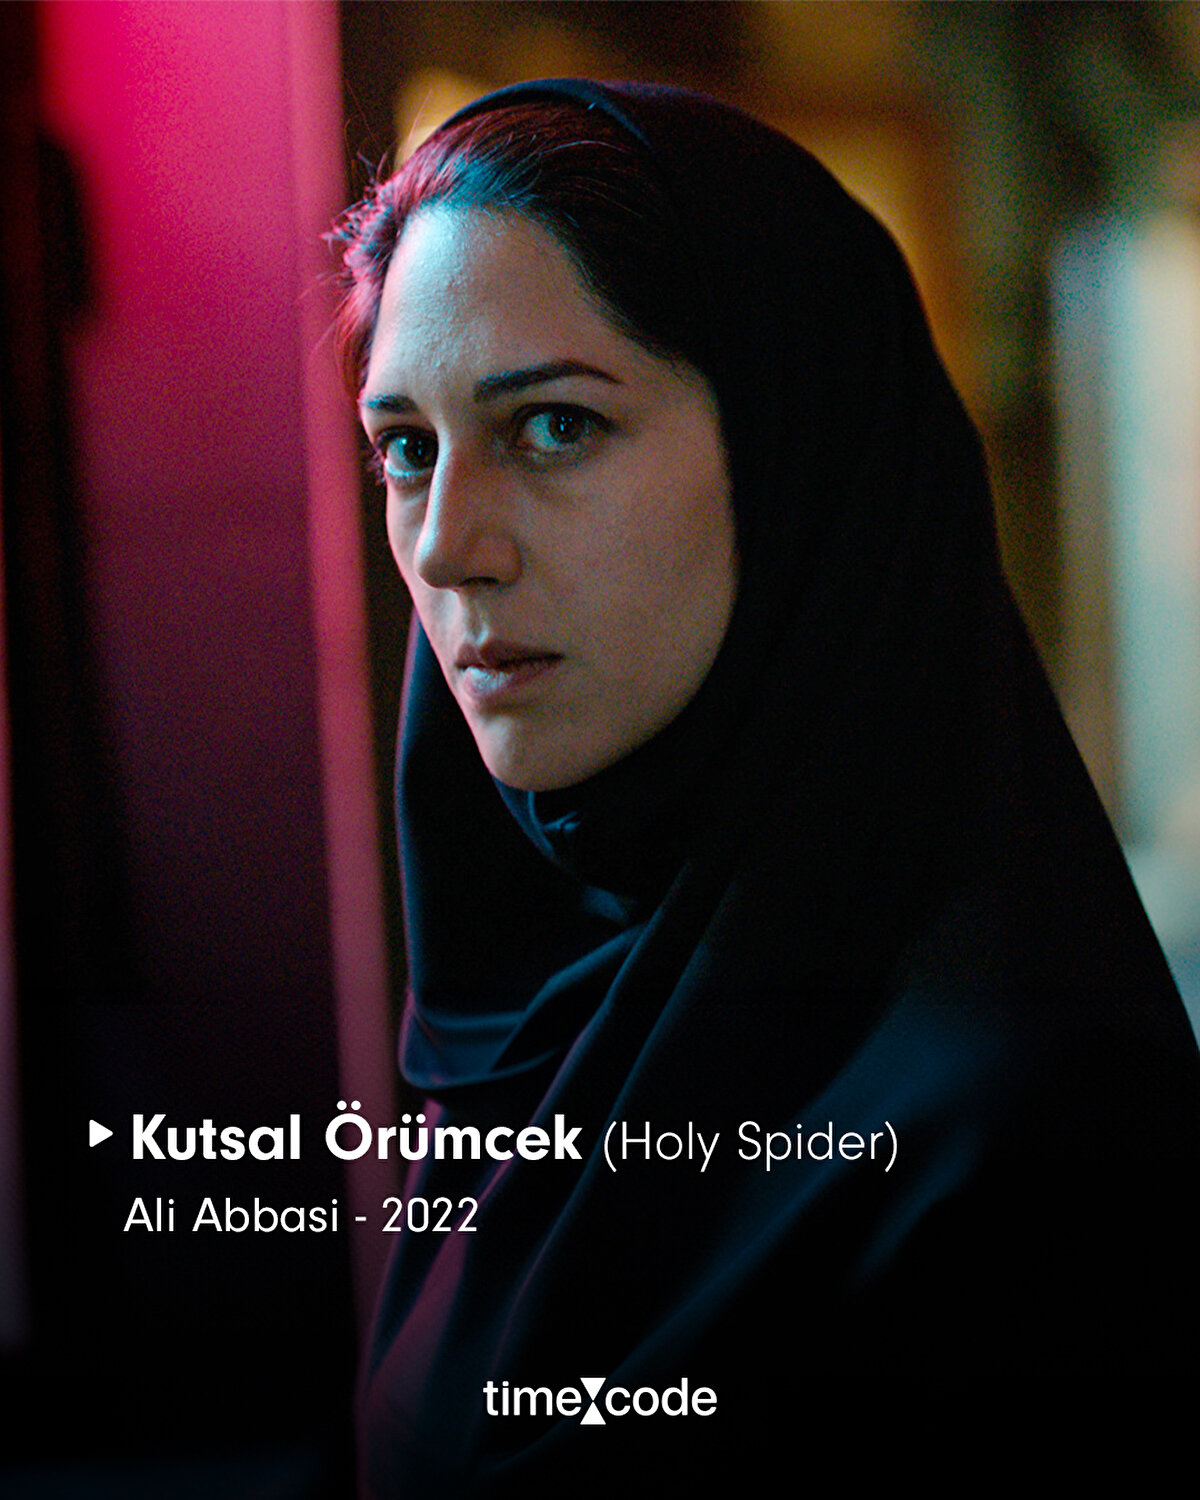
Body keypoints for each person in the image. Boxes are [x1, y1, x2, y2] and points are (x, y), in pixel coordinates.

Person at [331, 80, 1200, 1494]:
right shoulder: (518, 1023)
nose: (446, 546)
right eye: (407, 449)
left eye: (554, 428)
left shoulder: (1024, 1143)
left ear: (797, 451)